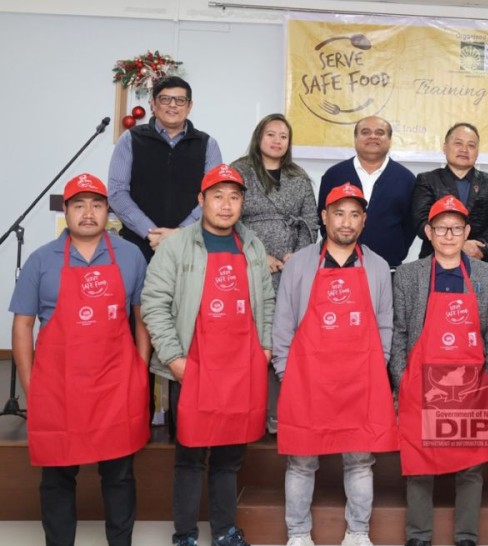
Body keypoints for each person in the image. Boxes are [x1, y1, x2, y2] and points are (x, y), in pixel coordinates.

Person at [9, 174, 149, 546]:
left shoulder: (131, 256)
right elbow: (22, 326)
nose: (88, 213)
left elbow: (141, 318)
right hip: (59, 387)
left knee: (119, 476)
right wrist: (30, 384)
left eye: (97, 204)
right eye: (79, 205)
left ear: (108, 211)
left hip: (115, 385)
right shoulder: (41, 261)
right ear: (66, 211)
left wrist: (139, 371)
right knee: (57, 477)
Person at [142, 164, 275, 546]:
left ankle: (224, 531)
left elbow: (266, 299)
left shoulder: (252, 246)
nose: (226, 204)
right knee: (189, 457)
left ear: (242, 204)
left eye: (234, 197)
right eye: (217, 196)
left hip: (241, 366)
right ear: (201, 201)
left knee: (229, 458)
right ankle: (184, 533)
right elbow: (154, 303)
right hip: (193, 367)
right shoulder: (177, 245)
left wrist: (264, 348)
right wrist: (174, 359)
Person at [271, 184, 397, 546]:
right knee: (301, 463)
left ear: (364, 221)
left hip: (360, 381)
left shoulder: (376, 265)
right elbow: (283, 324)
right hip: (308, 381)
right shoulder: (300, 264)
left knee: (359, 461)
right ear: (324, 217)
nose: (346, 222)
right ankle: (298, 534)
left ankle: (358, 533)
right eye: (339, 213)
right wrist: (287, 372)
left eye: (355, 214)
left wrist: (378, 366)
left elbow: (384, 323)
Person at [389, 196, 488, 546]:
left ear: (467, 231)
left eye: (457, 228)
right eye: (442, 228)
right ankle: (418, 536)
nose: (450, 235)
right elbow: (399, 334)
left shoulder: (485, 274)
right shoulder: (410, 274)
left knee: (470, 466)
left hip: (471, 387)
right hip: (421, 384)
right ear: (429, 232)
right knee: (420, 463)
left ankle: (467, 536)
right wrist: (403, 379)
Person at [231, 113, 318, 435]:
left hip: (290, 266)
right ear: (259, 137)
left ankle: (280, 412)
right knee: (252, 336)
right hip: (247, 264)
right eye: (271, 134)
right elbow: (228, 217)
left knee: (284, 336)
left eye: (283, 136)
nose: (277, 141)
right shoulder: (239, 171)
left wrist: (298, 254)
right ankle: (247, 412)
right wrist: (257, 254)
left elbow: (311, 219)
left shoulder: (298, 176)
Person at [109, 75, 223, 261]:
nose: (173, 105)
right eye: (165, 99)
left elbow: (214, 195)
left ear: (189, 106)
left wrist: (180, 233)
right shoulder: (131, 139)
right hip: (137, 246)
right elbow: (117, 193)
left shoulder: (208, 144)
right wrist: (152, 233)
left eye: (180, 100)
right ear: (153, 104)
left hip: (191, 245)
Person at [317, 116, 416, 268]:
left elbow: (410, 225)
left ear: (389, 140)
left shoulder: (406, 179)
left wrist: (398, 250)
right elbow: (324, 219)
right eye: (365, 132)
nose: (372, 136)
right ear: (355, 138)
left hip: (388, 267)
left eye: (380, 132)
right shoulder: (334, 175)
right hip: (338, 266)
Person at [412, 122, 488, 263]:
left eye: (471, 145)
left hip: (479, 262)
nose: (464, 149)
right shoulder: (427, 180)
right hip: (434, 261)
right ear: (445, 147)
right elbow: (421, 221)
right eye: (458, 143)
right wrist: (460, 245)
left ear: (477, 152)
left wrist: (478, 249)